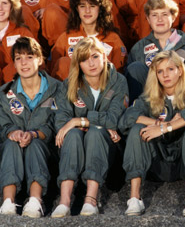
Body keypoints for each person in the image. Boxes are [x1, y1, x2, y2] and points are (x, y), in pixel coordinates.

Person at [119, 51, 185, 217]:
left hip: (184, 161)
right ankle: (134, 197)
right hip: (158, 162)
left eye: (170, 69)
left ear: (180, 70)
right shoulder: (151, 94)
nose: (165, 75)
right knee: (136, 129)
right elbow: (127, 118)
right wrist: (156, 124)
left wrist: (167, 127)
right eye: (160, 71)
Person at [52, 37, 128, 217]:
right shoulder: (69, 84)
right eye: (85, 60)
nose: (91, 63)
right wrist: (81, 125)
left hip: (110, 149)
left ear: (104, 56)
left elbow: (114, 119)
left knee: (95, 132)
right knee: (73, 134)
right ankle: (64, 201)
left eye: (95, 56)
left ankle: (91, 199)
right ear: (78, 64)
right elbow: (62, 121)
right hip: (75, 146)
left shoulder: (118, 81)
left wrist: (81, 121)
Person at [0, 37, 64, 218]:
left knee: (34, 144)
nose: (23, 63)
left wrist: (35, 134)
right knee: (10, 144)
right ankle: (8, 202)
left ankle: (35, 201)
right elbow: (2, 124)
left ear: (40, 60)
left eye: (29, 57)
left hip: (46, 148)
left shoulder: (58, 88)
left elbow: (58, 123)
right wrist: (13, 132)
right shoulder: (4, 93)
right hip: (14, 148)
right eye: (18, 58)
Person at [125, 0, 185, 102]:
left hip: (178, 101)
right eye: (154, 15)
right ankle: (139, 113)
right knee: (135, 67)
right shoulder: (139, 48)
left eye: (164, 14)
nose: (160, 19)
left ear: (173, 17)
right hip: (148, 101)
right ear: (148, 19)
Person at [50, 0, 127, 80]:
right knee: (63, 61)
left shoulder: (113, 38)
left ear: (100, 9)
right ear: (76, 10)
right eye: (82, 6)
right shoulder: (65, 38)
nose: (87, 11)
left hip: (103, 89)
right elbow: (53, 73)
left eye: (92, 6)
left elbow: (117, 75)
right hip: (71, 90)